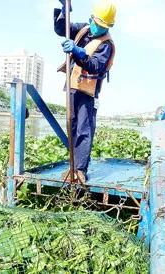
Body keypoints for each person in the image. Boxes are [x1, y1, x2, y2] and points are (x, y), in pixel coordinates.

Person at [54, 0, 116, 183]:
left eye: (105, 26)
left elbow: (96, 65)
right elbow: (61, 29)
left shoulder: (107, 44)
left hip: (88, 92)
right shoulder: (84, 30)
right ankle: (72, 166)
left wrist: (80, 53)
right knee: (72, 126)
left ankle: (80, 170)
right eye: (98, 24)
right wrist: (65, 11)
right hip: (73, 86)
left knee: (84, 128)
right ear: (92, 20)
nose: (100, 29)